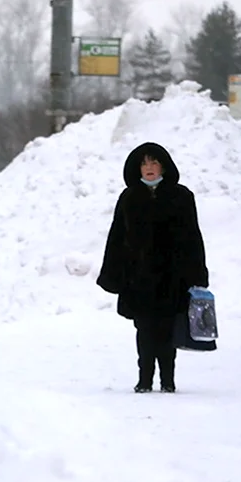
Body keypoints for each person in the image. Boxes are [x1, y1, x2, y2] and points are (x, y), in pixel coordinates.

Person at [96, 142, 209, 393]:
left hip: (173, 277)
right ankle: (144, 379)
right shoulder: (129, 198)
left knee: (167, 330)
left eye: (154, 162)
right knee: (144, 329)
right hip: (138, 278)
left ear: (164, 167)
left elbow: (193, 238)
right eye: (144, 163)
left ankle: (167, 380)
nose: (149, 168)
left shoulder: (181, 197)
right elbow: (116, 238)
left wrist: (197, 273)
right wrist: (112, 274)